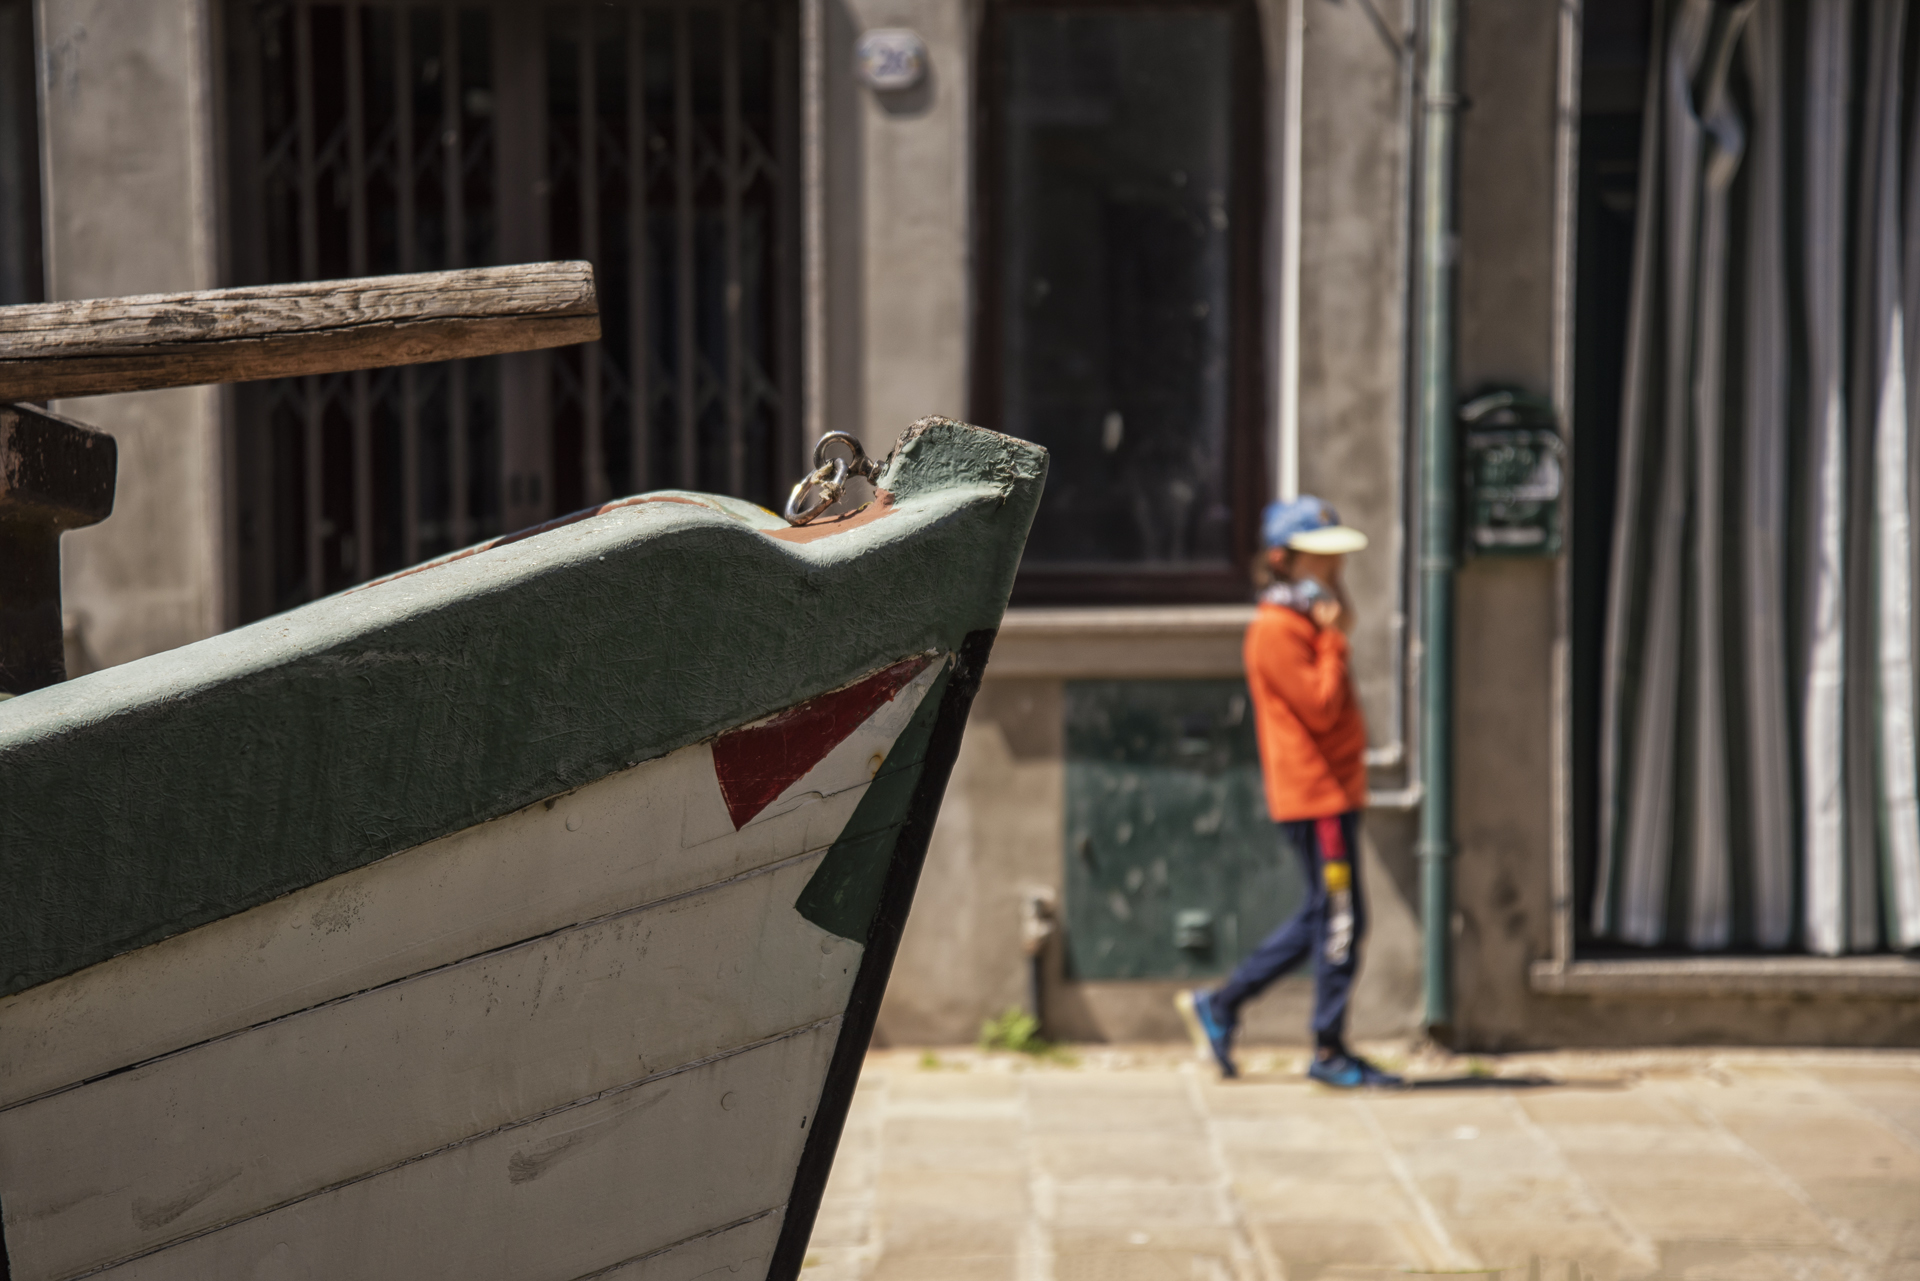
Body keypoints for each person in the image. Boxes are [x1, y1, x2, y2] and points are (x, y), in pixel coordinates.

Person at [1175, 496, 1404, 1089]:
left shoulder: (1301, 623)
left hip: (1331, 795)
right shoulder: (1278, 631)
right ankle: (1326, 1050)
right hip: (1316, 799)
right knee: (1340, 923)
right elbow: (1324, 710)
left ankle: (1223, 1005)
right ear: (1283, 559)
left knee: (1325, 916)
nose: (1334, 571)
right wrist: (1336, 641)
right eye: (1318, 559)